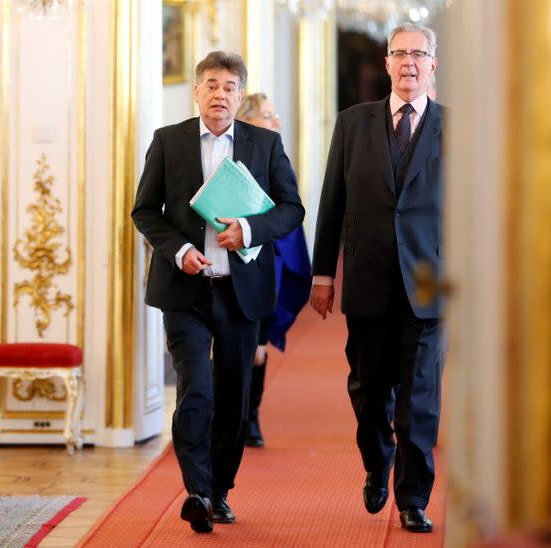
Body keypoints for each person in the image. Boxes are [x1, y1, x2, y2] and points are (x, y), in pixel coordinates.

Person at [132, 51, 304, 533]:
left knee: (232, 396)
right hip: (185, 289)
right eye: (211, 84)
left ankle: (221, 489)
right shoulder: (169, 142)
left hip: (240, 290)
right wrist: (180, 248)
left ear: (240, 95)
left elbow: (292, 209)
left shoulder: (265, 145)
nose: (219, 94)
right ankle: (197, 492)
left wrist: (248, 231)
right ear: (196, 90)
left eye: (229, 86)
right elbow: (145, 211)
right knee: (196, 390)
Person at [310, 22, 445, 533]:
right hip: (366, 282)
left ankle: (413, 498)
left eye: (419, 54)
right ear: (387, 63)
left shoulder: (453, 126)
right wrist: (324, 272)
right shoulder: (353, 123)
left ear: (433, 65)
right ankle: (376, 460)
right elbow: (332, 201)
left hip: (430, 288)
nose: (409, 63)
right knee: (368, 394)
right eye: (400, 54)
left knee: (420, 398)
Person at [235, 93, 311, 448]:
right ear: (246, 119)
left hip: (269, 256)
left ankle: (251, 415)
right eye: (268, 115)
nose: (276, 122)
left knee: (258, 343)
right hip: (227, 256)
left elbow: (289, 205)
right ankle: (225, 416)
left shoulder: (273, 152)